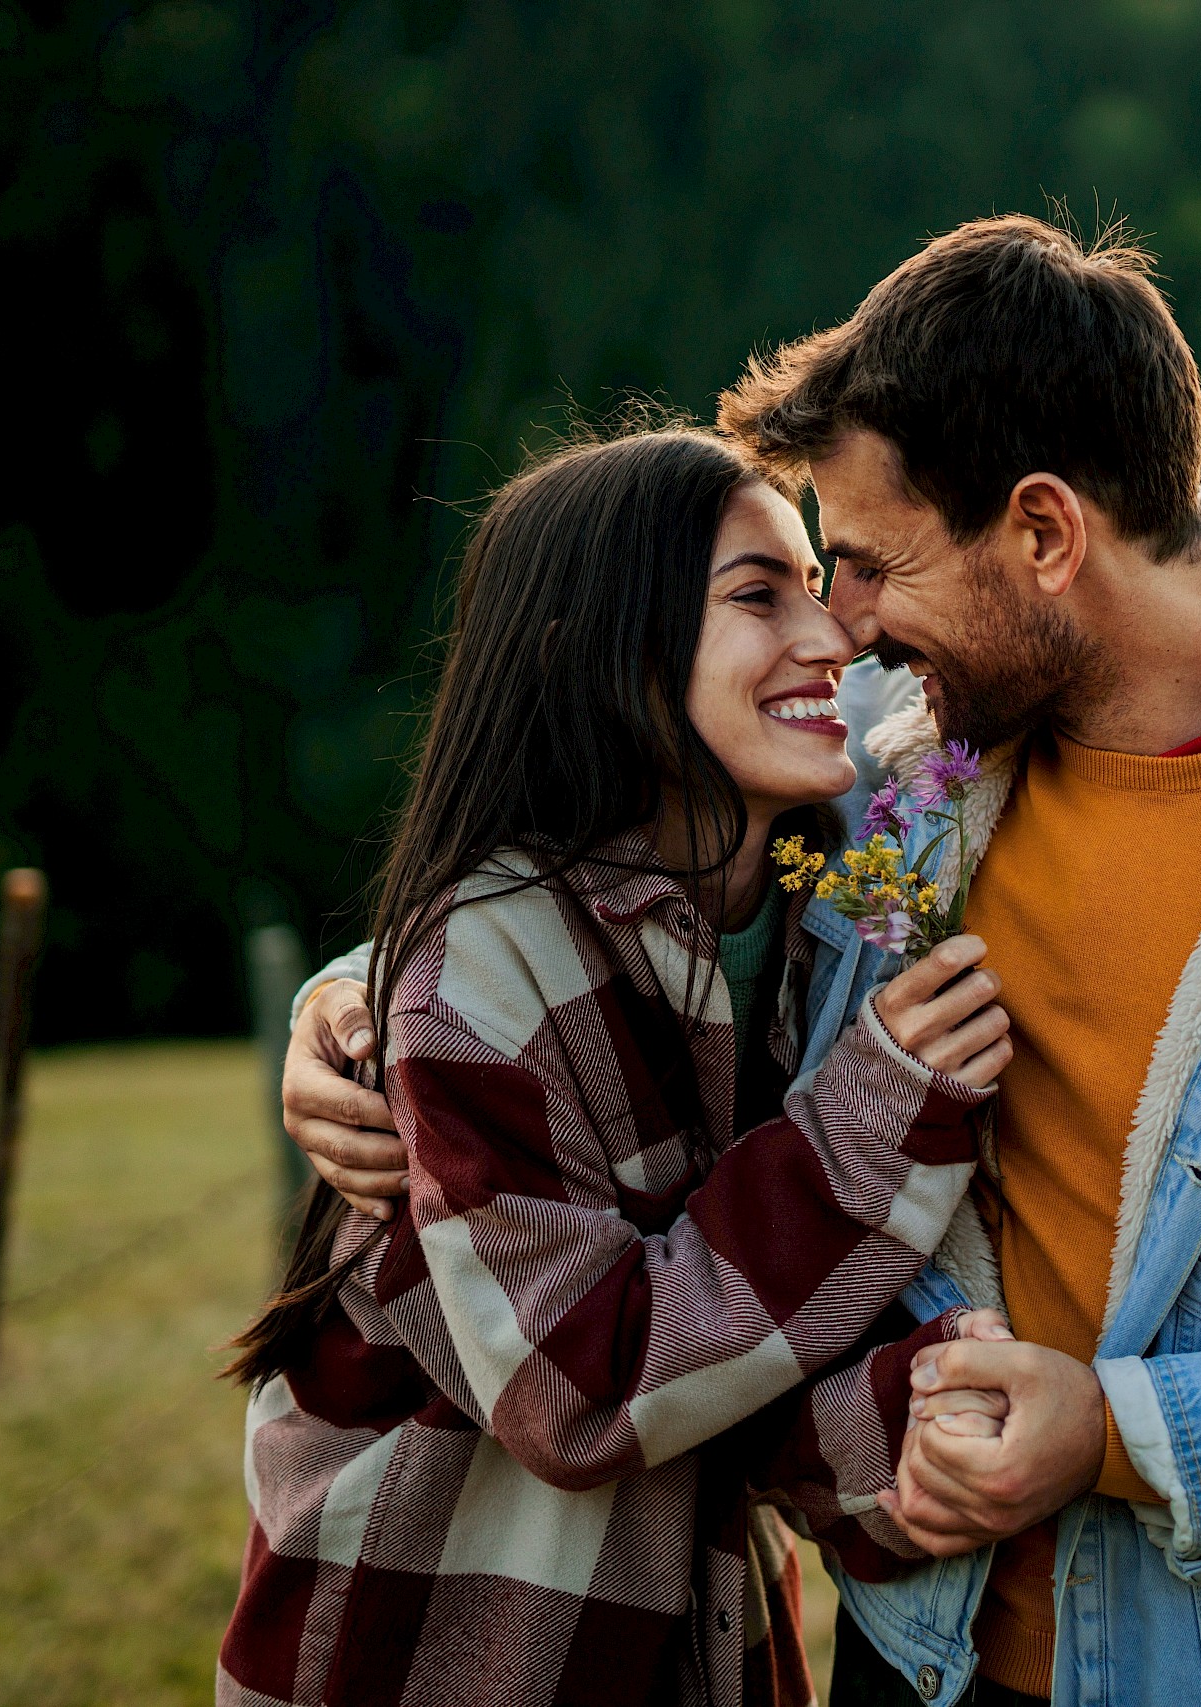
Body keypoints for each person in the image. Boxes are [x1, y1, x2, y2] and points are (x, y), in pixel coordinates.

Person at [289, 217, 1201, 1707]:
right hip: (929, 1663)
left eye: (867, 565)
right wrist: (354, 1009)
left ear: (1043, 535)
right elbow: (612, 863)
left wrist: (1120, 1432)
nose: (843, 630)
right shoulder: (891, 776)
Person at [217, 424, 1020, 1707]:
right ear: (603, 654)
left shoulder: (823, 938)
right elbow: (577, 1387)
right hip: (431, 1652)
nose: (831, 636)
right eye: (757, 596)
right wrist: (872, 1128)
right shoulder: (479, 968)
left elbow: (741, 1358)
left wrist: (919, 1426)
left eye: (815, 587)